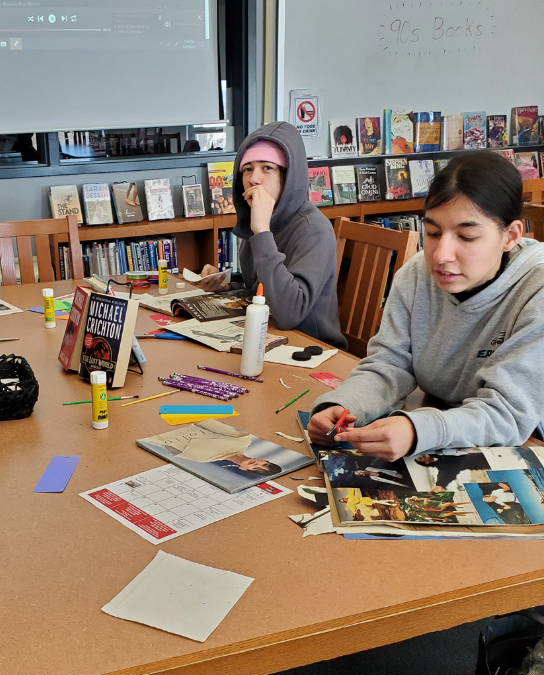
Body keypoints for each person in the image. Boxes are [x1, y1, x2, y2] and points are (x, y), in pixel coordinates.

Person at [308, 151, 544, 461]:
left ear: (510, 236)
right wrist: (343, 404)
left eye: (467, 236)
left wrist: (417, 429)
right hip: (451, 427)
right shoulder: (417, 274)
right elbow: (389, 365)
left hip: (527, 443)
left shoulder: (536, 288)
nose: (440, 255)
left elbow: (508, 414)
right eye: (432, 233)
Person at [197, 122, 345, 348]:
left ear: (288, 177)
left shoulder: (314, 229)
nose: (254, 178)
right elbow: (263, 287)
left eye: (267, 167)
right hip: (268, 334)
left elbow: (289, 313)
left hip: (310, 347)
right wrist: (227, 284)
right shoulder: (260, 217)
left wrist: (262, 232)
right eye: (247, 169)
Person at [148, 419, 282, 477]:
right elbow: (207, 422)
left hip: (152, 434)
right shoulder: (242, 440)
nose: (257, 464)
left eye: (256, 468)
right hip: (173, 421)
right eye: (264, 463)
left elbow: (163, 445)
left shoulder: (202, 459)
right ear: (264, 459)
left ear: (243, 469)